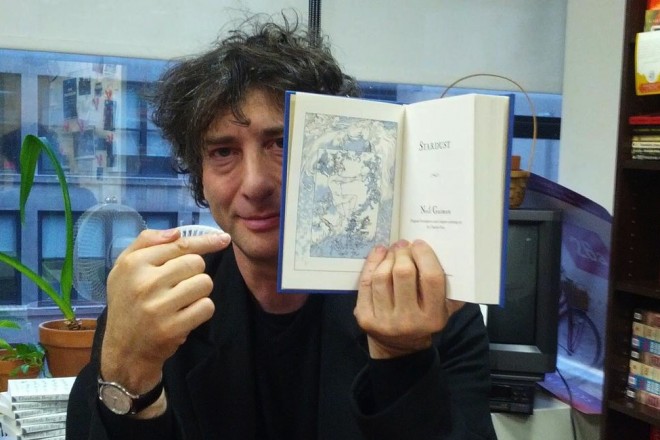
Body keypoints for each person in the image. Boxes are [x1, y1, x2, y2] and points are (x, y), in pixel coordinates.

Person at [66, 12, 497, 440]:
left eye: (282, 143)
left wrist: (401, 359)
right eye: (223, 152)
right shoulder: (155, 310)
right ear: (200, 176)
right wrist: (132, 377)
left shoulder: (429, 314)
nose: (255, 184)